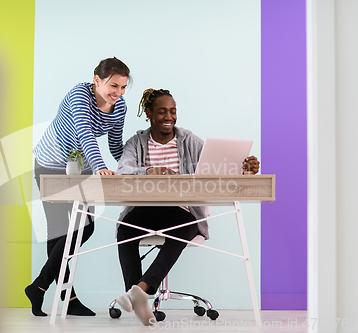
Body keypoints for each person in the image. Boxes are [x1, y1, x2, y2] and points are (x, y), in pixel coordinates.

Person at [115, 88, 259, 325]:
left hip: (180, 211)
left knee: (185, 227)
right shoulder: (137, 142)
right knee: (124, 231)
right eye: (162, 111)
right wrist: (150, 171)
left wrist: (244, 170)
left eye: (172, 111)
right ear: (149, 113)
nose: (168, 117)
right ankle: (138, 293)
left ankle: (138, 290)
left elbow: (215, 168)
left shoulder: (189, 140)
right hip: (144, 209)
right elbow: (123, 171)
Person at [26, 57, 130, 317]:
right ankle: (68, 299)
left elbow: (116, 146)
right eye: (113, 86)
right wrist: (100, 168)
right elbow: (84, 133)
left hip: (78, 167)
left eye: (123, 87)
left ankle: (39, 286)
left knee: (86, 226)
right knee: (59, 231)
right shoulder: (79, 95)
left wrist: (135, 164)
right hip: (50, 165)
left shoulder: (120, 107)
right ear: (97, 81)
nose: (118, 93)